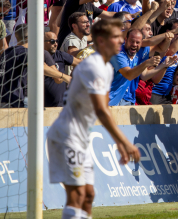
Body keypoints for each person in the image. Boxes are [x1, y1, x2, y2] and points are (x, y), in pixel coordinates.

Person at [46, 19, 140, 219]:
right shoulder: (93, 67)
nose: (120, 41)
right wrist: (124, 142)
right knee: (77, 196)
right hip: (66, 135)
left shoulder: (106, 68)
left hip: (81, 137)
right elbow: (100, 110)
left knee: (88, 195)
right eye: (115, 37)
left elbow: (103, 106)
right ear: (101, 40)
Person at [109, 29, 176, 106]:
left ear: (141, 43)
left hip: (129, 99)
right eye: (132, 41)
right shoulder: (118, 52)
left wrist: (167, 40)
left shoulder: (141, 51)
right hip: (110, 99)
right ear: (126, 40)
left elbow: (161, 49)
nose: (134, 44)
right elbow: (129, 75)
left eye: (137, 42)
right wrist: (146, 63)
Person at [57, 0, 121, 48]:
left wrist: (132, 15)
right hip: (68, 48)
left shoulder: (89, 5)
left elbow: (109, 14)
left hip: (80, 47)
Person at [44, 31, 81, 107]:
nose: (56, 44)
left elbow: (80, 63)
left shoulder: (60, 55)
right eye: (52, 41)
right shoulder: (37, 57)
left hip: (61, 105)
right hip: (42, 105)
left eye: (57, 41)